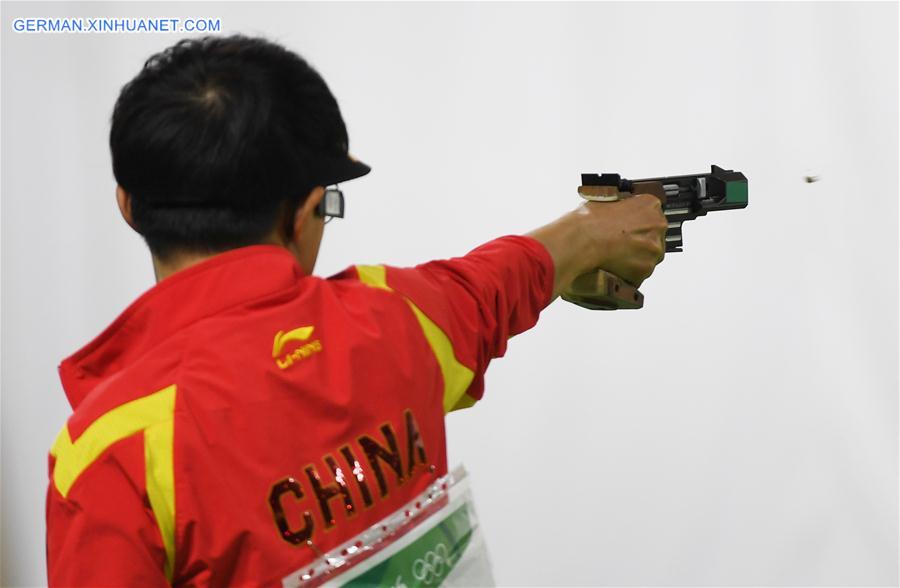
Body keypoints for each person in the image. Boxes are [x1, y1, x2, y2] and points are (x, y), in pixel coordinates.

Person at [45, 34, 667, 586]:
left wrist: (585, 238)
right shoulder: (397, 319)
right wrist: (590, 234)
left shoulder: (111, 454)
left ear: (127, 205)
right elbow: (490, 289)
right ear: (303, 209)